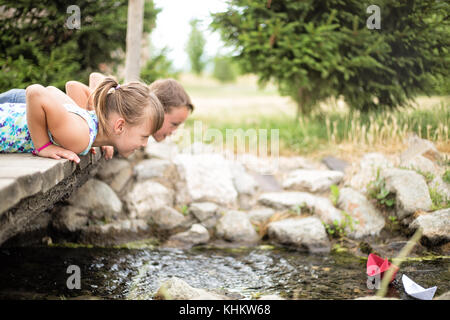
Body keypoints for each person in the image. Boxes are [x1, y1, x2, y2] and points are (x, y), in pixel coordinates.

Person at [0, 73, 194, 159]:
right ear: (119, 126)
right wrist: (44, 146)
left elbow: (52, 90)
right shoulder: (81, 137)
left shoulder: (86, 131)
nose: (145, 144)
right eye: (144, 136)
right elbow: (36, 92)